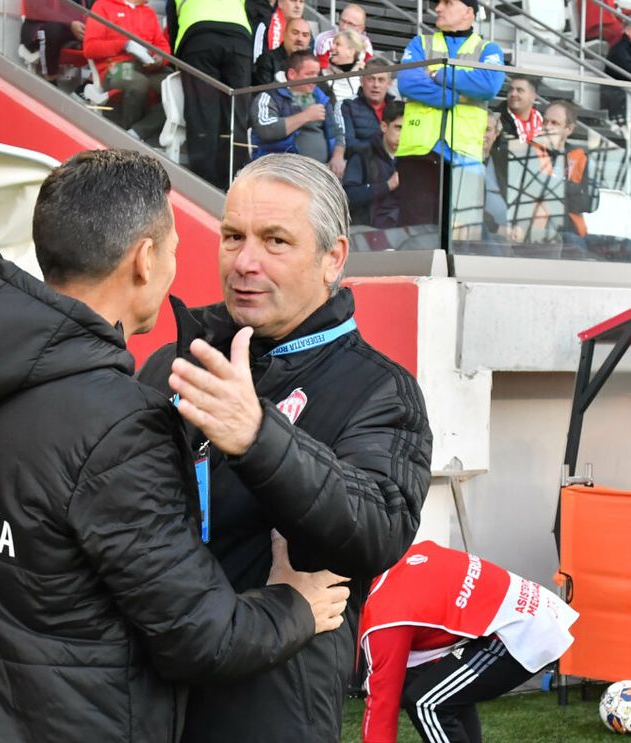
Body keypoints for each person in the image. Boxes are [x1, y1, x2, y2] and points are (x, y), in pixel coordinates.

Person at [0, 150, 350, 742]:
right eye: (181, 248)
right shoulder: (117, 423)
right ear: (145, 259)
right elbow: (202, 635)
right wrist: (295, 605)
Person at [138, 153, 434, 743]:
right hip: (148, 697)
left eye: (275, 241)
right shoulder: (172, 363)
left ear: (333, 259)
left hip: (269, 710)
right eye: (232, 237)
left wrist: (259, 438)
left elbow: (378, 528)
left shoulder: (380, 389)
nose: (245, 262)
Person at [358, 541, 578, 743]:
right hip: (537, 609)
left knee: (427, 703)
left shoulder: (383, 615)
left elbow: (381, 707)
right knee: (442, 692)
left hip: (518, 632)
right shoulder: (407, 552)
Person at [394, 0, 506, 230]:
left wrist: (437, 73)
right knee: (415, 237)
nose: (438, 8)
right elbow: (408, 83)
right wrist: (458, 97)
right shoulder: (420, 43)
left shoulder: (488, 49)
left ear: (468, 12)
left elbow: (488, 86)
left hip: (465, 157)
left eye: (447, 2)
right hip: (419, 154)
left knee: (462, 237)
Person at [531, 100, 631, 262]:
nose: (547, 127)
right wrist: (569, 189)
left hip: (578, 232)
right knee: (574, 246)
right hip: (546, 232)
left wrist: (558, 188)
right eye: (545, 121)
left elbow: (584, 203)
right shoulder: (531, 151)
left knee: (630, 248)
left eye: (555, 123)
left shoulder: (578, 155)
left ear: (569, 129)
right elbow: (537, 193)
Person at [167, 0, 253, 188]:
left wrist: (175, 62)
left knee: (203, 116)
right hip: (240, 39)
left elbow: (172, 24)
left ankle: (204, 187)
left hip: (199, 37)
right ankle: (238, 184)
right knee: (236, 117)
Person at [81, 0, 172, 142]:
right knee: (138, 82)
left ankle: (136, 132)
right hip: (115, 67)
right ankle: (127, 138)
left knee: (177, 87)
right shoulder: (103, 5)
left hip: (146, 67)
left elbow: (163, 47)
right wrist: (124, 45)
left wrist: (160, 59)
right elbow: (90, 48)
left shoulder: (149, 13)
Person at [250, 50, 345, 165]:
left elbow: (337, 131)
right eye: (309, 74)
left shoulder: (319, 97)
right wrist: (305, 116)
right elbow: (266, 129)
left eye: (317, 74)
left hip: (320, 171)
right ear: (292, 74)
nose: (315, 80)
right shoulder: (270, 96)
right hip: (280, 170)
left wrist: (338, 157)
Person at [342, 99, 404, 228]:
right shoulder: (363, 155)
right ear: (384, 127)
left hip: (403, 234)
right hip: (368, 234)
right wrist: (387, 186)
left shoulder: (412, 160)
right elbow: (347, 198)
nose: (404, 135)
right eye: (399, 128)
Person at [340, 57, 397, 158]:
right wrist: (382, 148)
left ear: (389, 84)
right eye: (371, 79)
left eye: (381, 80)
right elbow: (348, 145)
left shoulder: (398, 110)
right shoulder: (348, 106)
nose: (376, 85)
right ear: (362, 81)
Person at [252, 16, 311, 86]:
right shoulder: (267, 60)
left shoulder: (312, 64)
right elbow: (266, 93)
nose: (300, 39)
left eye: (305, 35)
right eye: (295, 33)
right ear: (284, 34)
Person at [320, 28, 368, 105]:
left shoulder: (363, 81)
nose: (332, 47)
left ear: (351, 52)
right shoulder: (320, 76)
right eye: (333, 43)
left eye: (337, 44)